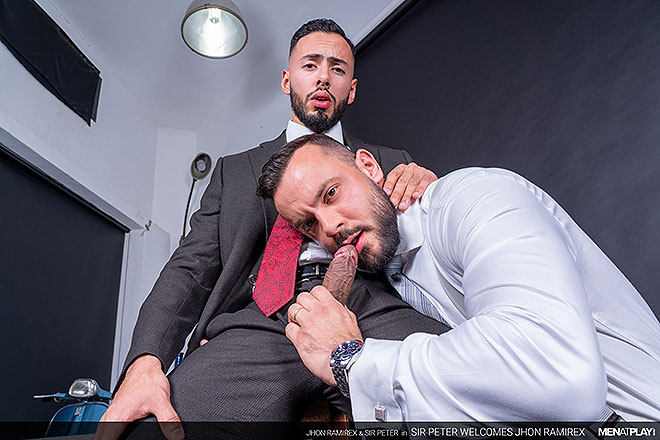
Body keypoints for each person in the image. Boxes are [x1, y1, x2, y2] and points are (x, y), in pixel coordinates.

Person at [94, 19, 450, 440]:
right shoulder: (233, 172)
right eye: (310, 65)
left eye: (337, 68)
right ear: (286, 80)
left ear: (351, 89)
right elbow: (189, 268)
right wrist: (145, 362)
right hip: (262, 321)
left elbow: (430, 246)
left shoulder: (390, 162)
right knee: (154, 430)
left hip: (372, 305)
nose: (323, 77)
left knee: (483, 406)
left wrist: (433, 196)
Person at [257, 133, 660, 423]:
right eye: (309, 224)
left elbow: (564, 378)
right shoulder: (387, 274)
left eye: (331, 193)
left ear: (368, 167)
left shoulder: (475, 196)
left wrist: (352, 361)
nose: (330, 226)